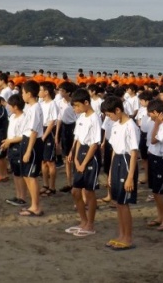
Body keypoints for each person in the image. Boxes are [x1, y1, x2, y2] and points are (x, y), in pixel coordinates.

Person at [102, 96, 140, 251]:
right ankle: (121, 234)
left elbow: (133, 153)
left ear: (118, 110)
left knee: (124, 204)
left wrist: (130, 177)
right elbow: (113, 151)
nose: (109, 118)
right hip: (117, 161)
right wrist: (110, 172)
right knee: (118, 202)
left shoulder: (131, 126)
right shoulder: (116, 125)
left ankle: (128, 238)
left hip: (126, 162)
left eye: (110, 115)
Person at [65, 88, 102, 237]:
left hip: (91, 155)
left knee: (89, 191)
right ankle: (83, 220)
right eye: (74, 106)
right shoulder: (81, 117)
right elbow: (78, 138)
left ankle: (90, 224)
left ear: (86, 103)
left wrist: (83, 163)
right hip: (79, 152)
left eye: (78, 106)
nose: (76, 109)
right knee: (75, 191)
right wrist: (73, 155)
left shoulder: (95, 118)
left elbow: (94, 144)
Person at [145, 98, 163, 231]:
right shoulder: (155, 123)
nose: (148, 115)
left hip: (161, 158)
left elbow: (154, 140)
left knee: (159, 192)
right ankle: (160, 217)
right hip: (153, 156)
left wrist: (156, 124)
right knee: (155, 192)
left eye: (150, 113)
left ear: (156, 112)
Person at [19, 80, 44, 216]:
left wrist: (28, 151)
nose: (22, 95)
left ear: (29, 94)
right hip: (26, 139)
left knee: (32, 176)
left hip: (33, 143)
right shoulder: (29, 107)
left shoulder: (35, 108)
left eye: (23, 92)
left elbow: (34, 131)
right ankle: (33, 204)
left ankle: (36, 206)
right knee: (26, 175)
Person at [1, 93, 27, 207]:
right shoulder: (12, 117)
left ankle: (22, 197)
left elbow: (23, 136)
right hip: (11, 145)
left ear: (15, 106)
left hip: (19, 146)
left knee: (20, 173)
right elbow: (10, 132)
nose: (9, 107)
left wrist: (9, 141)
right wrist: (7, 141)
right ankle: (18, 195)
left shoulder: (24, 118)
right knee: (15, 173)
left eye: (11, 105)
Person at [56, 81, 78, 192]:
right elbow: (59, 118)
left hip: (73, 128)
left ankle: (76, 182)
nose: (60, 92)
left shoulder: (74, 104)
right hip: (64, 128)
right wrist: (57, 135)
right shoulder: (60, 102)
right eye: (59, 90)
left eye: (62, 91)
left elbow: (78, 120)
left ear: (68, 93)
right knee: (66, 158)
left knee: (73, 157)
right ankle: (69, 183)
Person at [39, 82, 59, 196]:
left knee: (50, 162)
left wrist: (44, 136)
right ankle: (45, 184)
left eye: (41, 90)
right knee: (43, 161)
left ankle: (52, 187)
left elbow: (52, 122)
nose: (39, 92)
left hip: (48, 132)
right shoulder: (40, 103)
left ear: (46, 92)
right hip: (41, 129)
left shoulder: (52, 104)